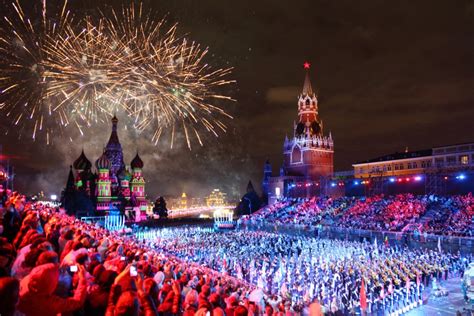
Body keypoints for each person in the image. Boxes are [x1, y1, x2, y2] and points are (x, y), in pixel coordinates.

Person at [18, 263, 87, 316]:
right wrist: (82, 279)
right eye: (56, 279)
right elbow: (77, 302)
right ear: (51, 286)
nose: (59, 275)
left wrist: (74, 268)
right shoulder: (48, 304)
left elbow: (55, 270)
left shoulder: (29, 279)